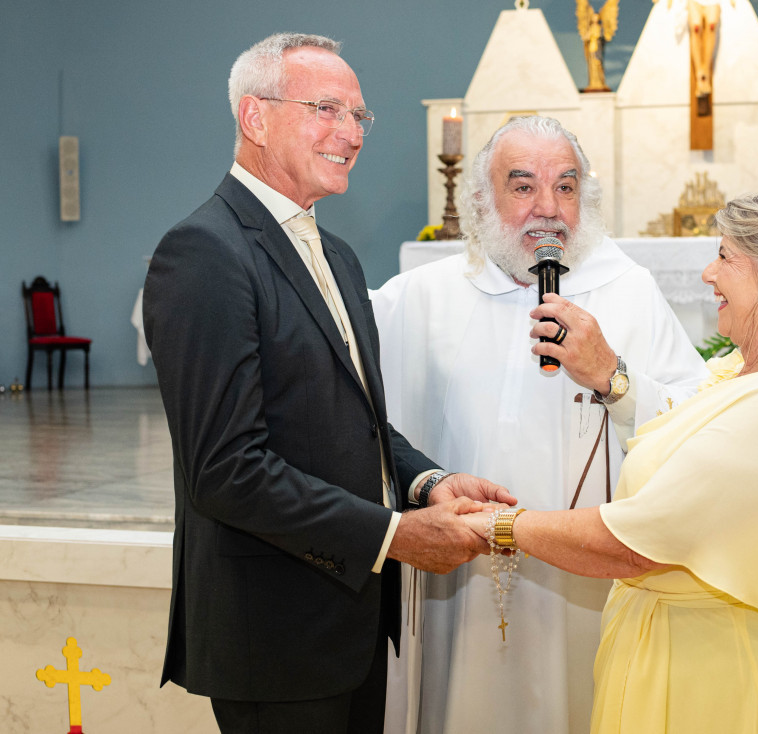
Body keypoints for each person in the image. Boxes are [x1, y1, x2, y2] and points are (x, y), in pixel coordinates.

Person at [143, 33, 513, 734]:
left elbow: (356, 418)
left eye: (359, 116)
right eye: (327, 110)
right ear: (255, 118)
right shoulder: (204, 253)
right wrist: (396, 537)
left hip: (348, 620)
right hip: (274, 632)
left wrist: (429, 483)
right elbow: (226, 471)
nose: (351, 133)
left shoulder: (336, 256)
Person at [464, 190, 758, 732]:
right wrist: (611, 376)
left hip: (731, 688)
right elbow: (688, 430)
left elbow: (636, 544)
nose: (709, 273)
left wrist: (494, 525)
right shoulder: (743, 372)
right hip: (681, 662)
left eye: (726, 257)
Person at [371, 115, 708, 733]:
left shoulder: (629, 291)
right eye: (522, 186)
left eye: (567, 186)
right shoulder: (419, 296)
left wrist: (614, 377)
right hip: (458, 579)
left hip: (581, 579)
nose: (548, 209)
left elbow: (697, 430)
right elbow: (350, 413)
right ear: (480, 200)